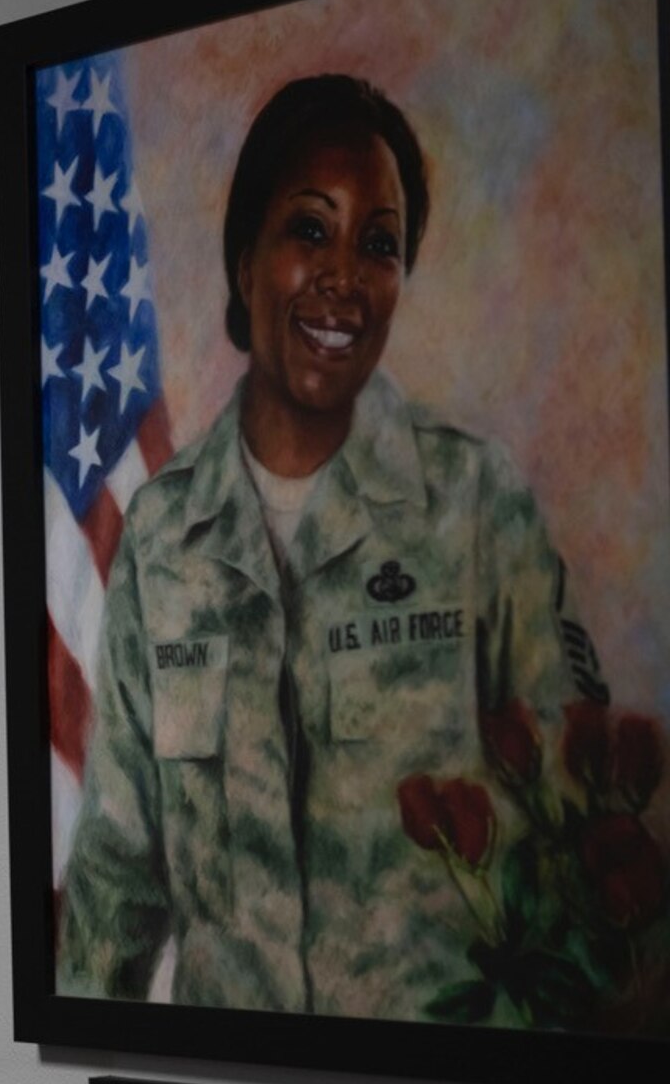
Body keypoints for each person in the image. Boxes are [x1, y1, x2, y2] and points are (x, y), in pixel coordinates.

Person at [57, 75, 603, 1020]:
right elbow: (117, 875)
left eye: (379, 244)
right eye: (311, 228)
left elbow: (572, 843)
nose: (345, 274)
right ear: (244, 260)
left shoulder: (477, 505)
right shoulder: (163, 533)